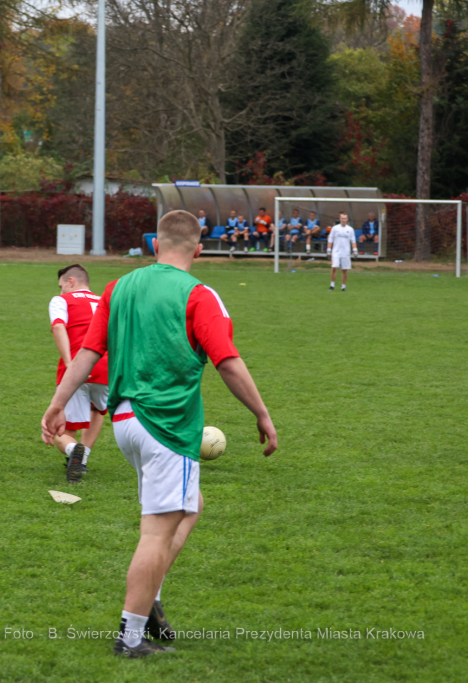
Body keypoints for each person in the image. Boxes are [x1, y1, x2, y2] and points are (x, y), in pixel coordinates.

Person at [41, 210, 277, 659]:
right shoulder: (199, 294)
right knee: (156, 532)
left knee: (191, 506)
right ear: (199, 250)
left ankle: (149, 599)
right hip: (166, 423)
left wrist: (57, 402)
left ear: (154, 245)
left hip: (125, 421)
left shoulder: (118, 287)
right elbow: (227, 361)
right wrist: (262, 414)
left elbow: (89, 351)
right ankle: (131, 636)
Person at [47, 264, 108, 483]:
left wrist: (70, 365)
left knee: (63, 432)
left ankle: (74, 451)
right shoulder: (104, 301)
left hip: (78, 366)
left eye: (61, 285)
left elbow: (58, 327)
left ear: (71, 281)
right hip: (107, 368)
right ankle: (83, 457)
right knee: (98, 410)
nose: (60, 290)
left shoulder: (61, 300)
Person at [327, 212, 358, 292]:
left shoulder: (350, 229)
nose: (343, 220)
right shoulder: (335, 228)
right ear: (340, 219)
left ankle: (343, 286)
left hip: (346, 252)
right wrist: (329, 250)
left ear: (347, 219)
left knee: (344, 270)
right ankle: (332, 285)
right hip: (336, 251)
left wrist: (355, 250)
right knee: (334, 267)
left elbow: (353, 240)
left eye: (345, 218)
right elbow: (330, 239)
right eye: (342, 218)